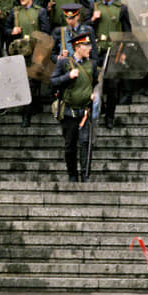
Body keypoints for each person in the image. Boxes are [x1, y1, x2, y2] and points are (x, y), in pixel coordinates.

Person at [50, 32, 98, 183]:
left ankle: (85, 174)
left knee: (85, 143)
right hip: (69, 111)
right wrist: (68, 76)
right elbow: (53, 81)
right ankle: (72, 174)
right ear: (77, 47)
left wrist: (95, 93)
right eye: (86, 45)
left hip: (85, 111)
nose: (89, 48)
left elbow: (97, 83)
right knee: (70, 144)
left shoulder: (92, 64)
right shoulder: (63, 62)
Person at [4, 0, 51, 127]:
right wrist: (12, 32)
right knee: (24, 83)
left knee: (32, 83)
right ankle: (27, 111)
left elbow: (45, 32)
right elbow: (5, 29)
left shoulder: (40, 12)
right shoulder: (15, 12)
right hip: (19, 54)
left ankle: (29, 112)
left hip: (35, 52)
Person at [90, 0, 130, 129]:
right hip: (97, 50)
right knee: (96, 83)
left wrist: (124, 51)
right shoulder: (95, 7)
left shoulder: (121, 8)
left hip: (114, 50)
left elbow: (127, 33)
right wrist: (93, 19)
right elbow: (86, 27)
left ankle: (110, 116)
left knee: (112, 85)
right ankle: (102, 108)